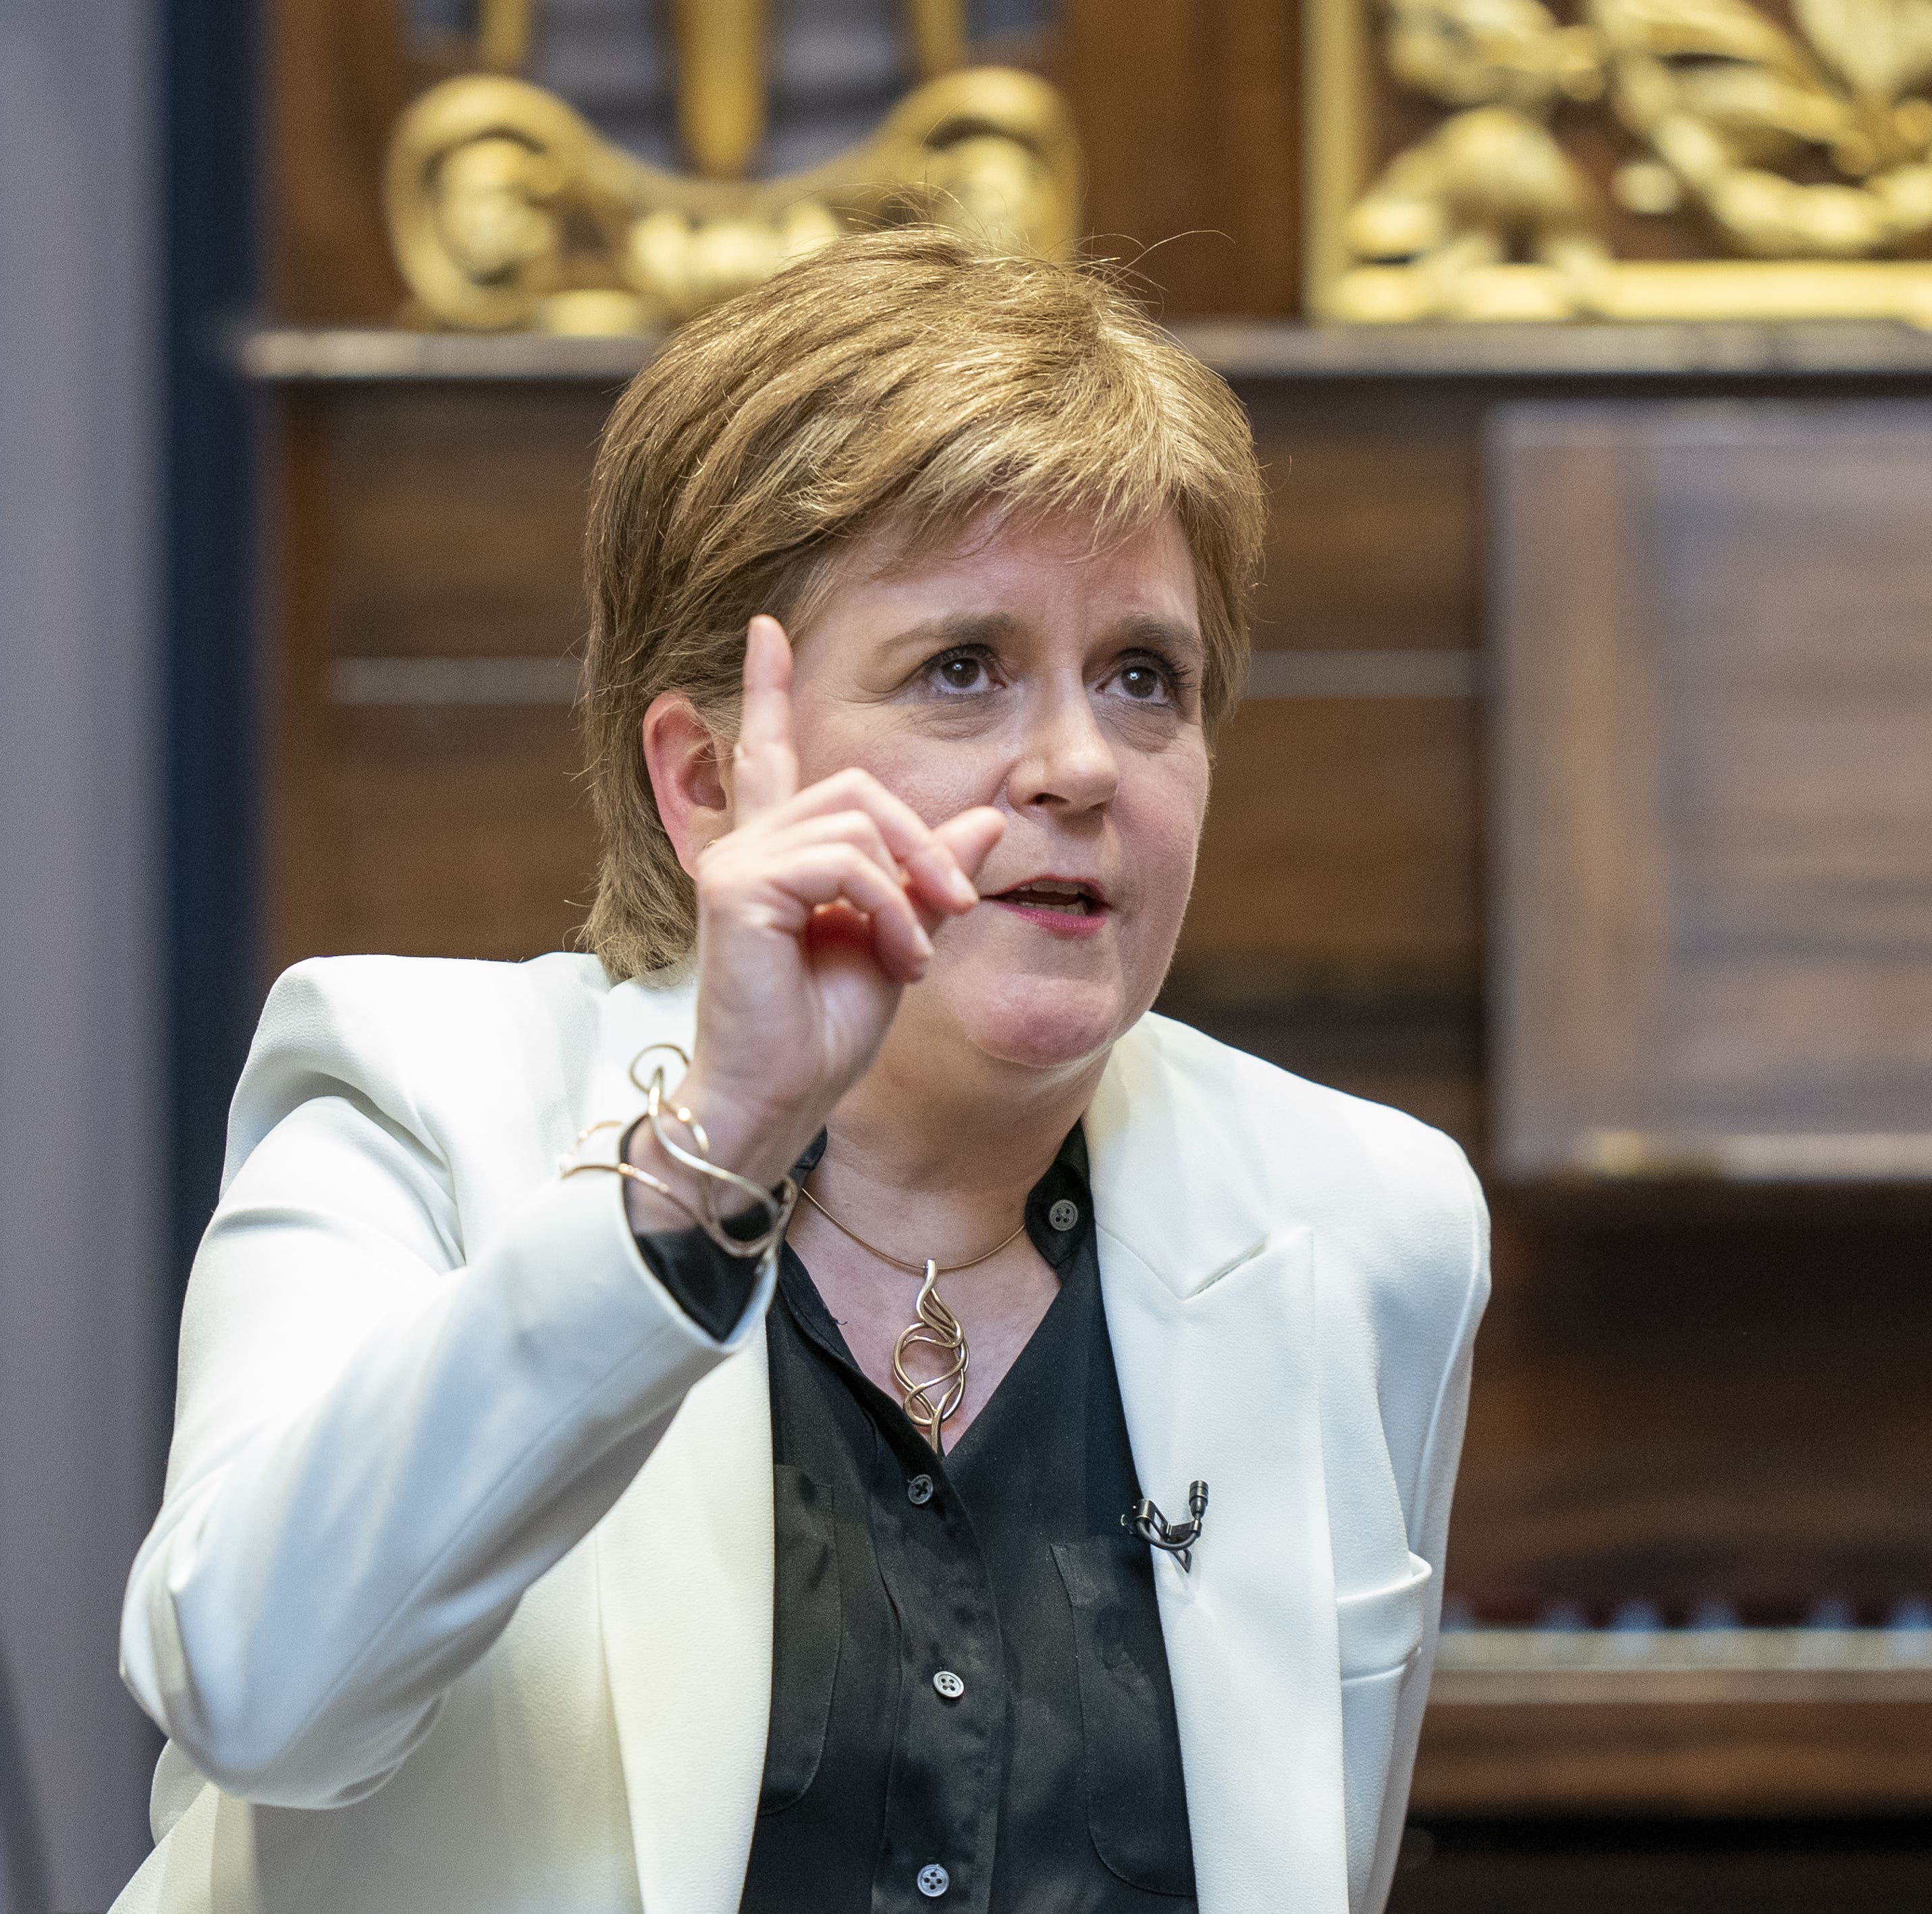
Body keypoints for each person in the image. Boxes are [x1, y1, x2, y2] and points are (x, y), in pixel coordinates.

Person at [111, 229, 1488, 1914]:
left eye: (1146, 676)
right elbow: (251, 1693)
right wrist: (707, 1162)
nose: (1078, 763)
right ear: (706, 785)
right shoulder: (414, 1099)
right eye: (962, 667)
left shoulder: (1363, 1224)